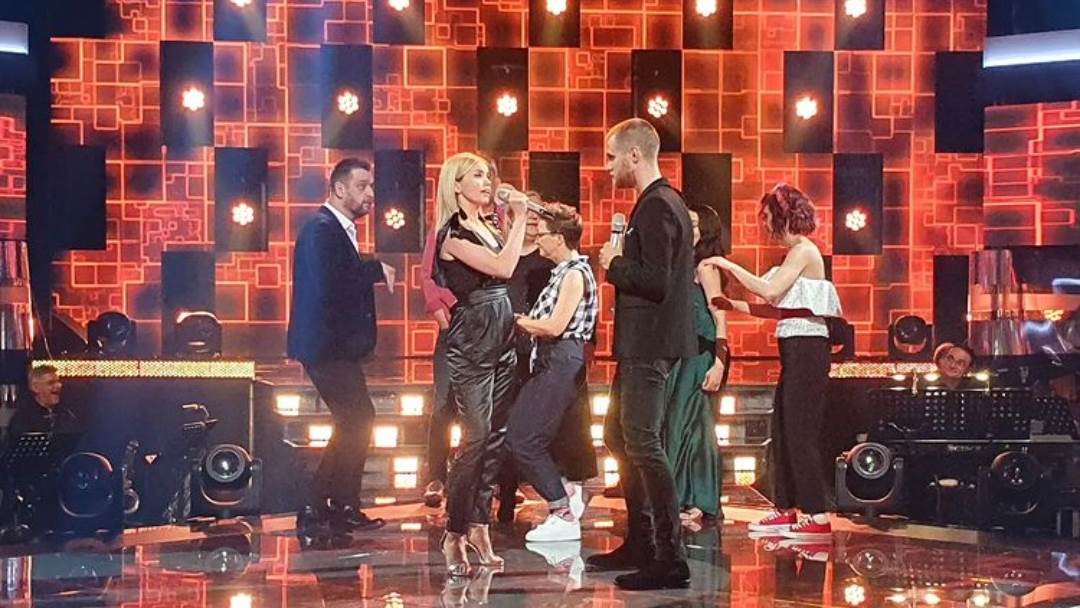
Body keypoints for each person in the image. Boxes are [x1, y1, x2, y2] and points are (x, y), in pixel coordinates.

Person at [700, 183, 841, 543]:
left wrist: (726, 264)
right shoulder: (793, 255)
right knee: (782, 429)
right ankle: (787, 507)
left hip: (809, 350)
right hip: (795, 349)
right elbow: (777, 309)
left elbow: (770, 291)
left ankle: (817, 515)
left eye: (766, 216)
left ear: (782, 215)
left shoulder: (804, 251)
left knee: (800, 433)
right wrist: (730, 305)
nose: (763, 224)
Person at [592, 118, 697, 591]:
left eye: (611, 156)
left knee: (643, 443)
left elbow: (657, 281)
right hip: (642, 342)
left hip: (651, 342)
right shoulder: (657, 203)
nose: (607, 166)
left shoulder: (657, 206)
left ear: (634, 155)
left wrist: (614, 264)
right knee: (618, 435)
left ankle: (669, 556)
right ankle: (641, 541)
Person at [287, 157, 395, 534]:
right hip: (325, 347)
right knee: (358, 418)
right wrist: (374, 269)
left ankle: (335, 504)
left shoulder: (335, 229)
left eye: (371, 186)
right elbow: (332, 282)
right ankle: (321, 503)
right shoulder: (321, 229)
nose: (370, 194)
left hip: (334, 348)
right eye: (362, 186)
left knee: (355, 420)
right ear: (338, 188)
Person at [433, 152, 529, 575]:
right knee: (475, 437)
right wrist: (520, 217)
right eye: (477, 176)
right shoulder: (452, 234)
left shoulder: (488, 226)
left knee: (496, 437)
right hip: (472, 337)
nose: (487, 181)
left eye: (488, 175)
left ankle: (479, 524)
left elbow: (512, 259)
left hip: (503, 333)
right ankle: (454, 531)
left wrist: (511, 220)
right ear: (456, 184)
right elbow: (505, 266)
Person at [508, 203, 598, 543]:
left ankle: (562, 509)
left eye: (543, 234)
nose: (538, 239)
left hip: (561, 357)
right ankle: (563, 497)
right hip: (552, 358)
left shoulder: (575, 273)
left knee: (523, 438)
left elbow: (556, 325)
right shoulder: (563, 271)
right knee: (524, 434)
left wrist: (516, 321)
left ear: (559, 238)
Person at [664, 204, 729, 524]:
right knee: (680, 425)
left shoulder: (706, 267)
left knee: (696, 426)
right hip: (682, 353)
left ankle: (700, 500)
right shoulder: (682, 264)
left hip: (703, 353)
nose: (686, 228)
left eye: (692, 223)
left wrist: (720, 361)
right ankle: (681, 497)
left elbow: (719, 313)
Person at [6, 365, 81, 438]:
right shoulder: (22, 419)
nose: (59, 385)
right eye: (51, 383)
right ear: (35, 387)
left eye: (58, 381)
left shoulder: (67, 415)